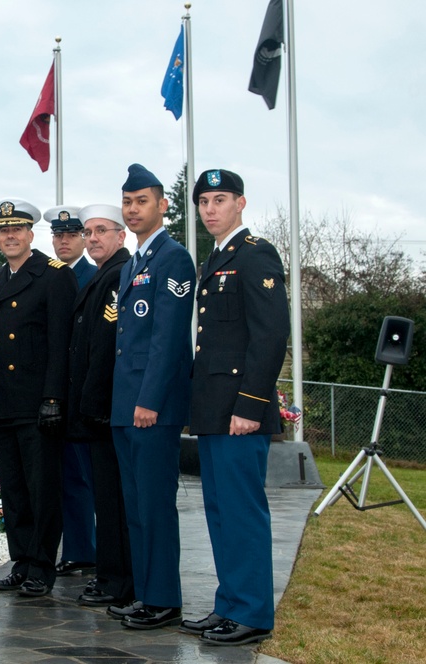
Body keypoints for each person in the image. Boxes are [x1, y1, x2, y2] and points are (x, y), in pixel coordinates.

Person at [180, 169, 288, 646]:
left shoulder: (255, 253)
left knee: (242, 511)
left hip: (241, 413)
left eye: (219, 200)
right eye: (203, 201)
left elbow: (269, 337)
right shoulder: (216, 259)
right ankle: (229, 605)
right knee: (220, 511)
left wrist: (251, 404)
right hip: (213, 410)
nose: (209, 209)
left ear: (240, 204)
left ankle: (253, 613)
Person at [108, 164, 195, 630]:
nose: (133, 209)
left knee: (155, 503)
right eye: (127, 201)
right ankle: (145, 593)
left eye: (142, 201)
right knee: (135, 503)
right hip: (126, 404)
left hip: (150, 406)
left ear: (162, 205)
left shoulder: (173, 258)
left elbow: (167, 336)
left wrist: (150, 400)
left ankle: (163, 598)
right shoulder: (134, 263)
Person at [0, 198, 77, 598]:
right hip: (5, 405)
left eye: (17, 229)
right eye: (3, 231)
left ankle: (42, 566)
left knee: (42, 491)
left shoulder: (53, 276)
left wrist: (54, 397)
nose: (10, 236)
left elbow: (62, 344)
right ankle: (21, 562)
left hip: (38, 404)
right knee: (16, 493)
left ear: (30, 234)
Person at [69, 204, 135, 608]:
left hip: (106, 409)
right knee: (106, 501)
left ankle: (116, 579)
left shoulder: (116, 275)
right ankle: (110, 574)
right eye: (88, 232)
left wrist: (91, 404)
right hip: (98, 409)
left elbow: (106, 348)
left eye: (101, 231)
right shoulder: (104, 275)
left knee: (112, 502)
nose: (92, 238)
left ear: (120, 237)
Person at [44, 204, 97, 578]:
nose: (64, 241)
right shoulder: (47, 277)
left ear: (83, 238)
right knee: (61, 476)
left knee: (82, 475)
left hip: (83, 393)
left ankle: (85, 551)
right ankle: (73, 548)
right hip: (53, 391)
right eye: (58, 235)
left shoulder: (94, 277)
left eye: (71, 235)